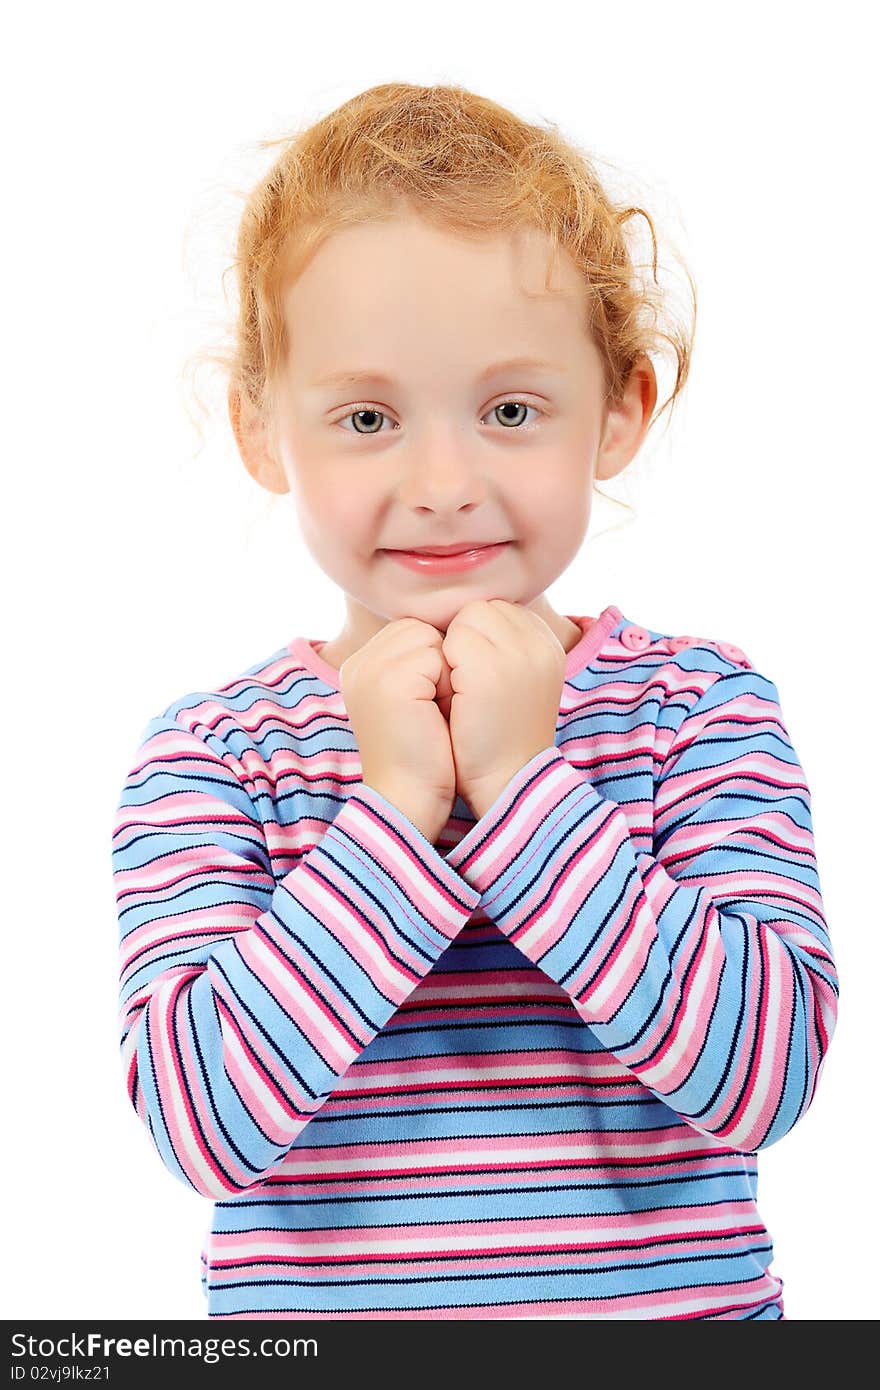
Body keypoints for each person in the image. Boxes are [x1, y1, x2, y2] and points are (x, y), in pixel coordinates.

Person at [111, 82, 838, 1321]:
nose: (442, 482)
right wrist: (392, 812)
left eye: (509, 410)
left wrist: (524, 788)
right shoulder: (214, 754)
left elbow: (763, 1079)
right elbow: (200, 1127)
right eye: (368, 417)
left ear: (620, 408)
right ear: (260, 429)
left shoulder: (698, 709)